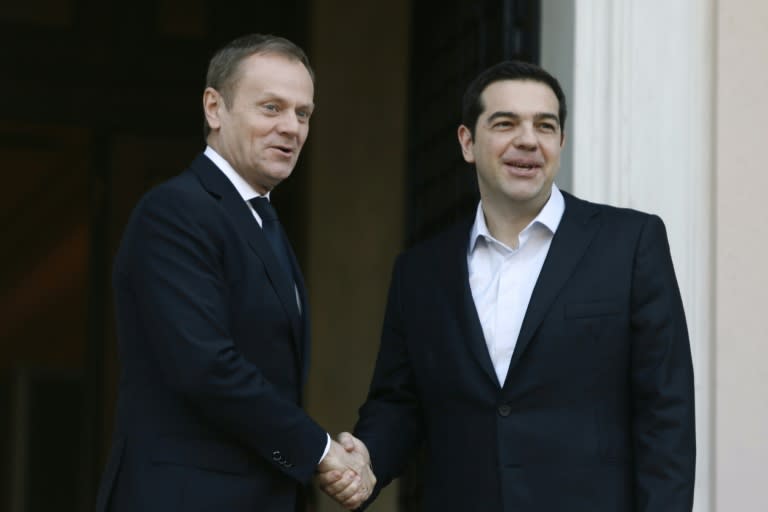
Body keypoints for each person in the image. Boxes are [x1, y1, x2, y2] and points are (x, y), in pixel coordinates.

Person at [320, 60, 696, 511]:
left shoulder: (630, 243)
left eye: (545, 125)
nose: (527, 140)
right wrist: (367, 459)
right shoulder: (420, 271)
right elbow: (399, 403)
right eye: (505, 123)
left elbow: (665, 413)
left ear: (561, 142)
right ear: (467, 142)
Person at [94, 34, 374, 512]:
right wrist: (323, 453)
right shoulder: (176, 211)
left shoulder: (260, 219)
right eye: (271, 108)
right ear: (214, 108)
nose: (291, 128)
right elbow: (206, 368)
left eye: (302, 114)